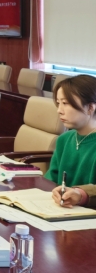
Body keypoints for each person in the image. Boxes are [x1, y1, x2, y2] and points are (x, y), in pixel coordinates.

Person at [47, 76, 96, 207]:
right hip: (62, 210)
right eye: (58, 103)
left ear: (90, 107)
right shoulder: (64, 139)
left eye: (66, 103)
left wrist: (81, 195)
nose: (59, 110)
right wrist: (55, 192)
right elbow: (51, 179)